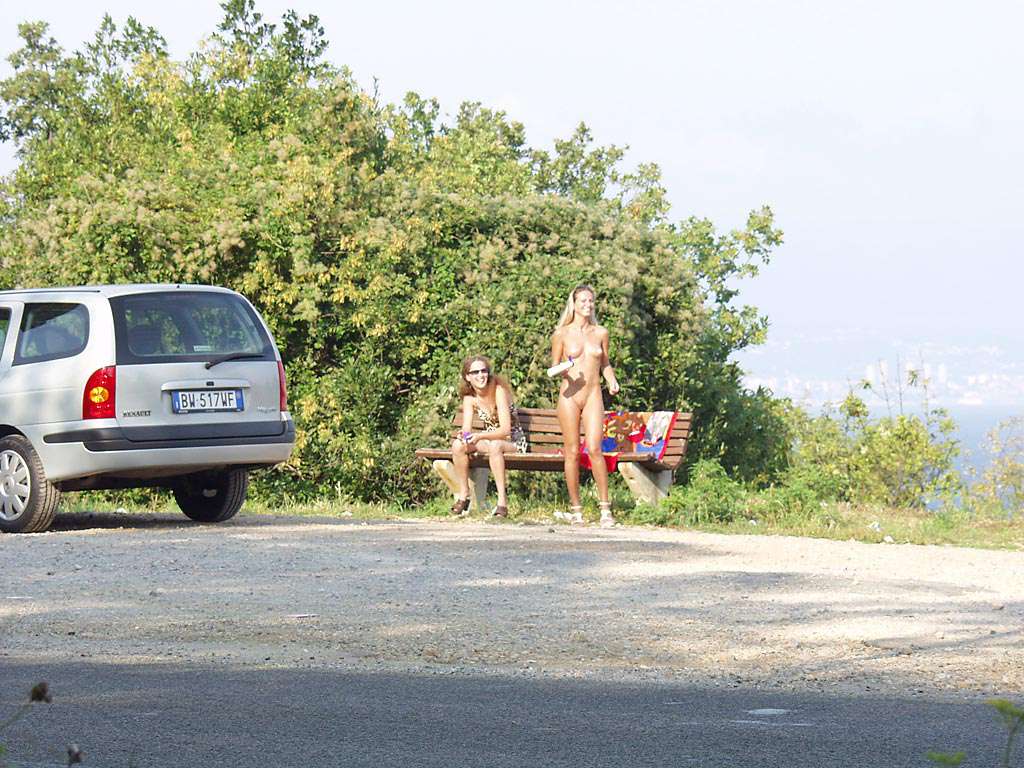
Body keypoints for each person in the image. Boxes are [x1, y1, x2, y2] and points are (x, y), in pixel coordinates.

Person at [550, 285, 620, 526]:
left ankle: (605, 509)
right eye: (583, 301)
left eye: (591, 301)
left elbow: (605, 363)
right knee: (571, 451)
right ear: (574, 303)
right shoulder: (561, 333)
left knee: (595, 448)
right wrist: (564, 368)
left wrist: (611, 380)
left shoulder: (601, 332)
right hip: (569, 395)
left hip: (592, 394)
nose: (587, 305)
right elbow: (553, 367)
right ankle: (576, 509)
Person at [449, 355, 529, 518]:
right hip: (490, 440)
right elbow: (466, 427)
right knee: (458, 445)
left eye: (483, 371)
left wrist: (479, 436)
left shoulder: (499, 391)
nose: (481, 375)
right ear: (467, 377)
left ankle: (502, 503)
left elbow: (505, 430)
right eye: (475, 372)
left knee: (495, 446)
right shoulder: (469, 398)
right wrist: (464, 435)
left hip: (512, 441)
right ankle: (464, 496)